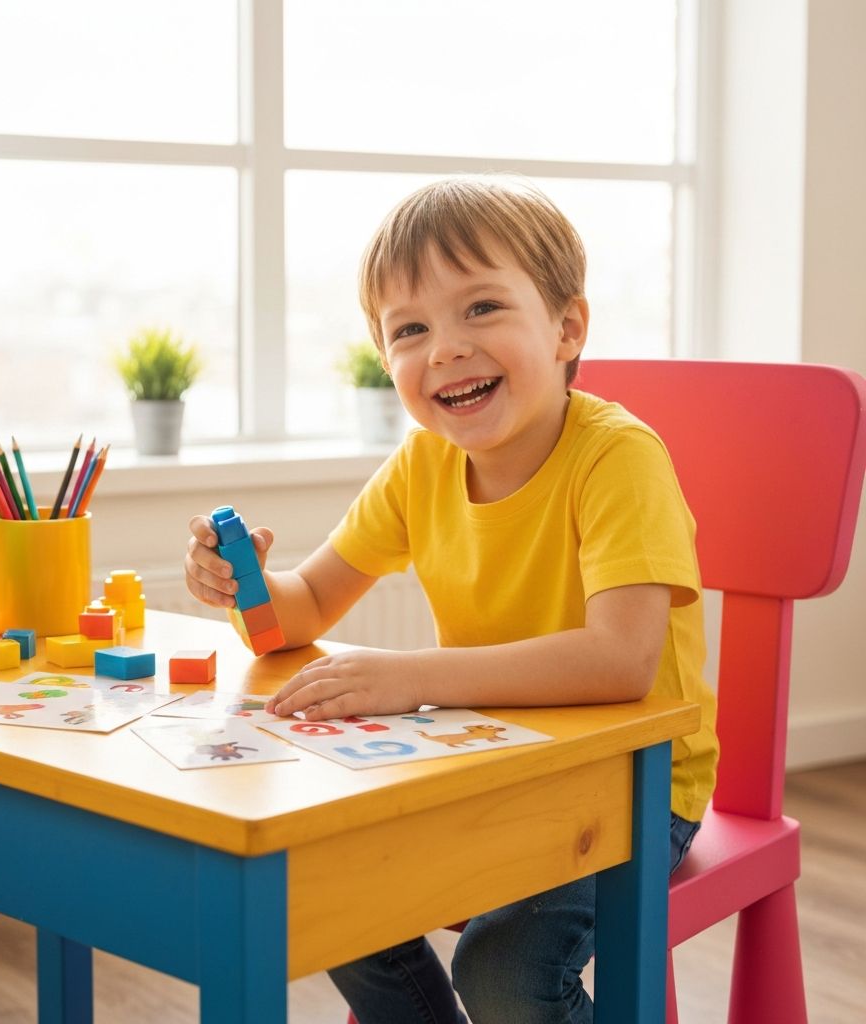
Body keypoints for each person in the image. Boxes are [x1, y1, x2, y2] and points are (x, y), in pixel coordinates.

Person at [184, 175, 719, 1024]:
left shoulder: (619, 459)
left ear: (567, 327)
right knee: (325, 889)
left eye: (481, 309)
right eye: (410, 329)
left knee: (503, 973)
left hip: (634, 784)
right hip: (496, 763)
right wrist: (241, 585)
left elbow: (623, 661)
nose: (444, 350)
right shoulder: (422, 464)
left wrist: (413, 676)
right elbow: (304, 609)